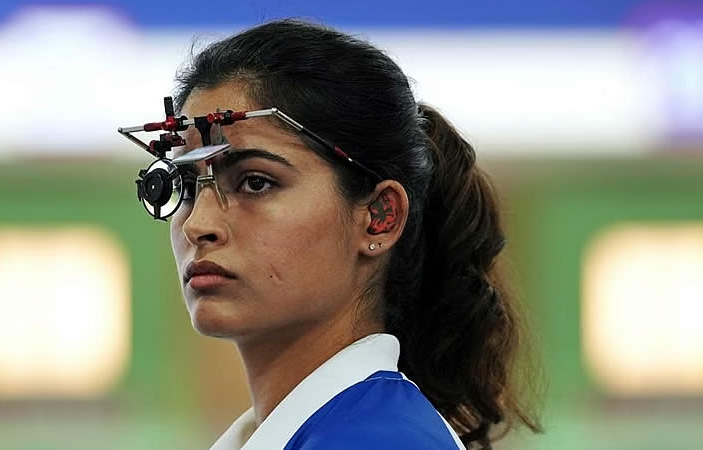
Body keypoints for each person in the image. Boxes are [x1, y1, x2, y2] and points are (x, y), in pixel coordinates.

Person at [158, 19, 541, 450]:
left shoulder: (380, 439)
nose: (197, 224)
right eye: (186, 186)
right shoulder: (315, 431)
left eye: (255, 182)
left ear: (379, 217)